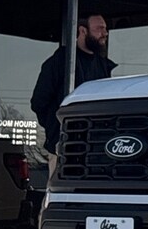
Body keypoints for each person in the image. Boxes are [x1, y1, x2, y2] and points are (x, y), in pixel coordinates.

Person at [30, 14, 117, 165]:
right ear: (83, 31)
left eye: (105, 29)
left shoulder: (104, 67)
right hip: (63, 147)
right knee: (61, 187)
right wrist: (56, 130)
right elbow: (39, 101)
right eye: (99, 29)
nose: (105, 33)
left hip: (96, 148)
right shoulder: (60, 62)